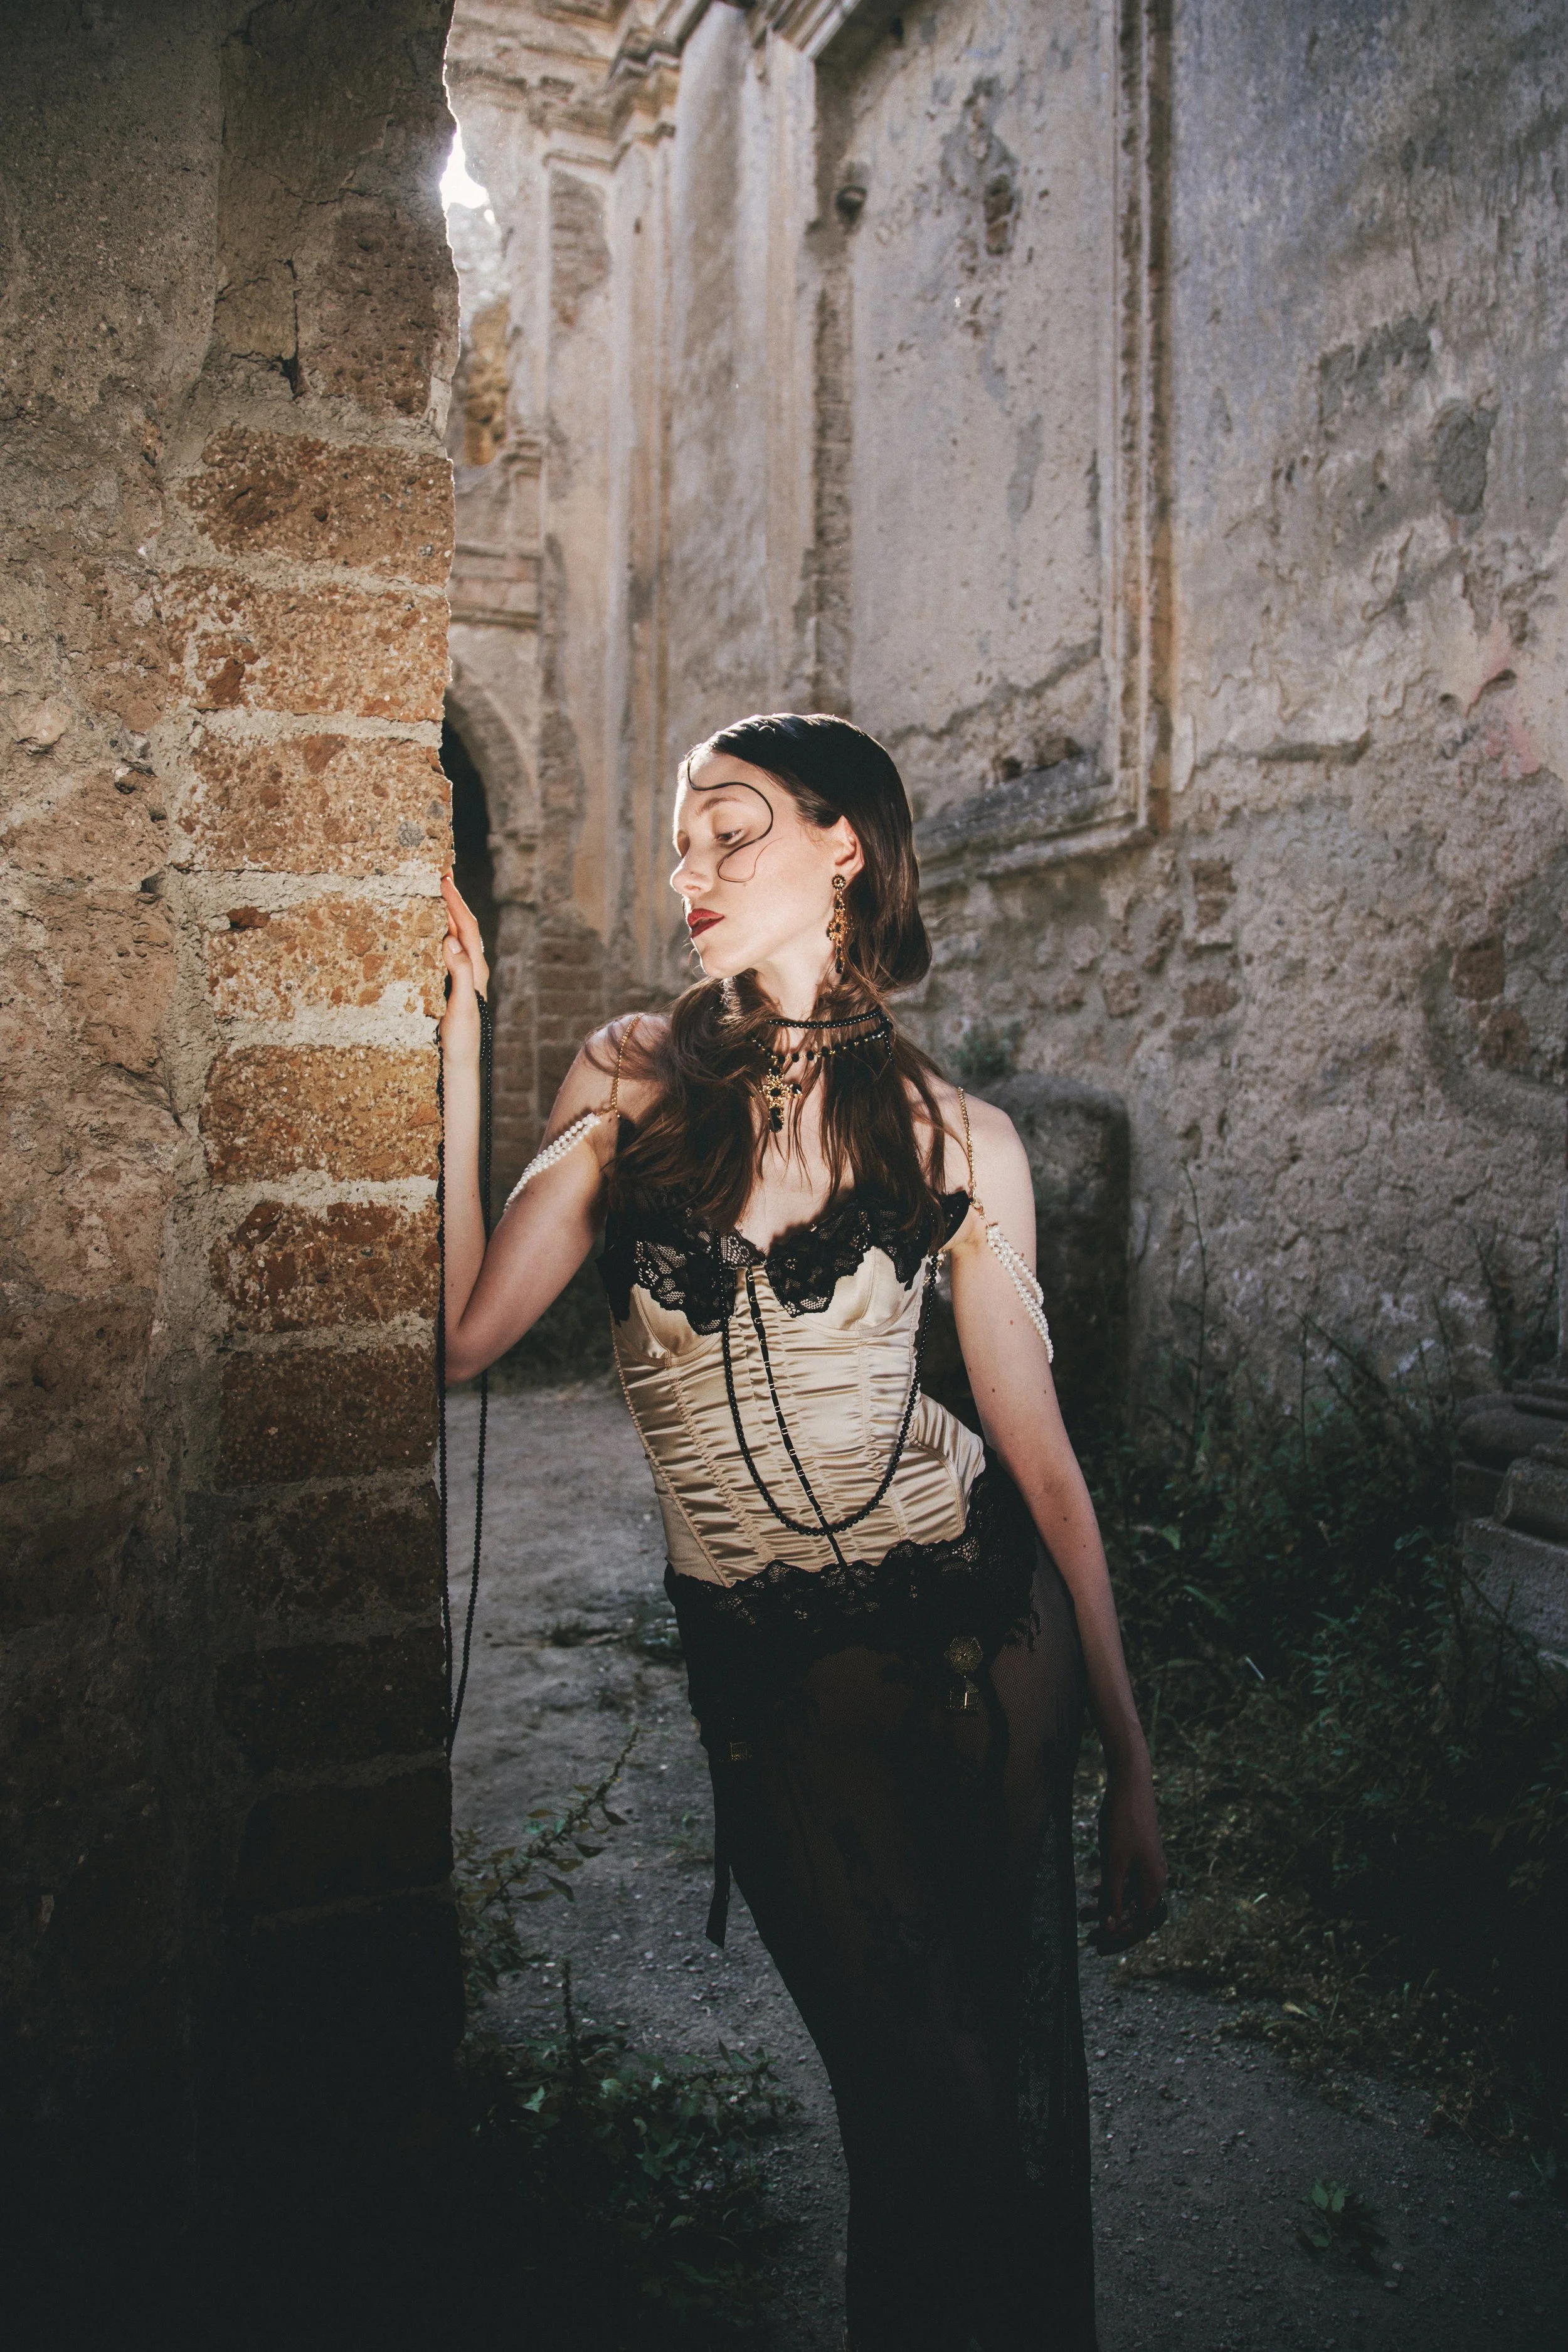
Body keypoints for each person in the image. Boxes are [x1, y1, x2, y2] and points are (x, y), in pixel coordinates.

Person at [439, 711, 1166, 2352]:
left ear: (845, 846)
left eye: (733, 831)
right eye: (680, 839)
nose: (690, 870)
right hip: (779, 1685)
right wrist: (460, 1032)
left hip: (987, 1647)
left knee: (1003, 2104)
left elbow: (1039, 1465)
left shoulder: (955, 1131)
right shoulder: (631, 1079)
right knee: (916, 2112)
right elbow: (467, 1334)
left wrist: (1129, 1756)